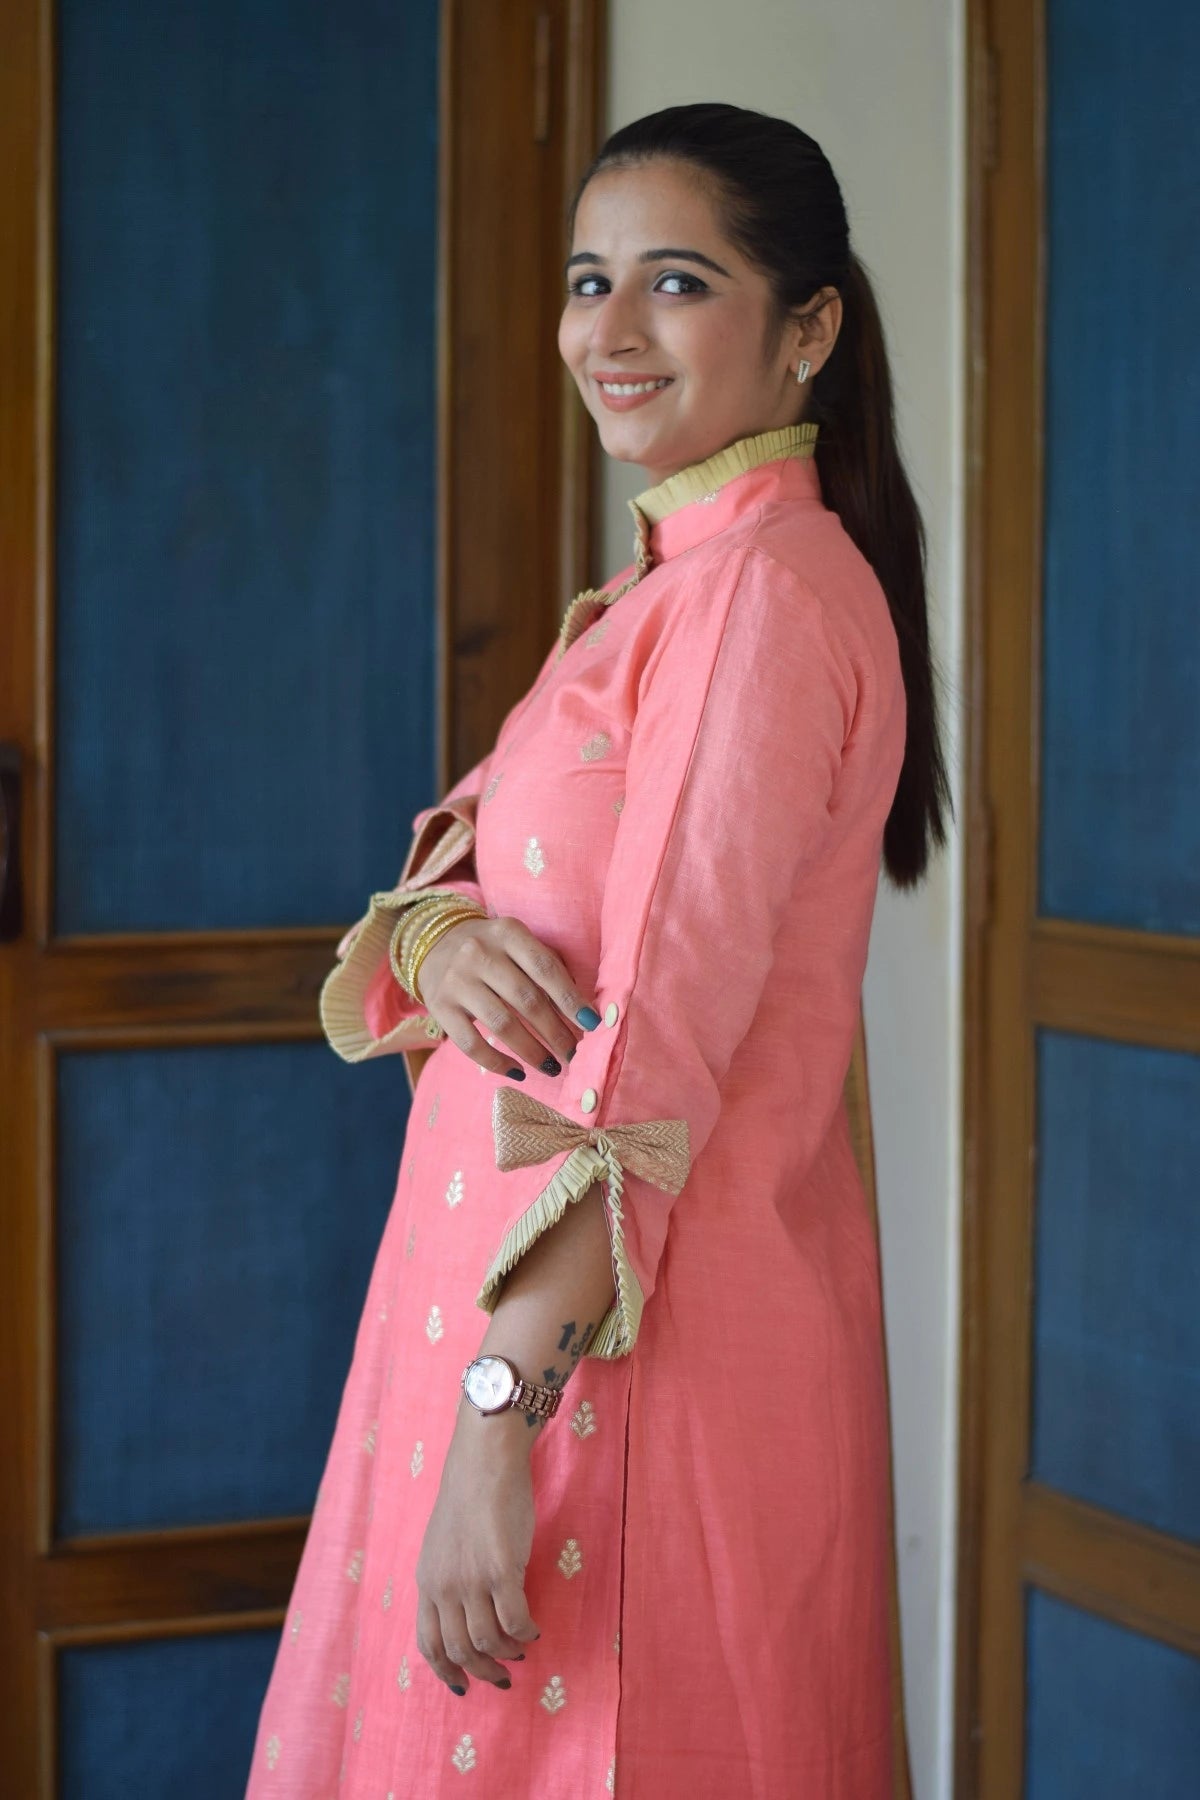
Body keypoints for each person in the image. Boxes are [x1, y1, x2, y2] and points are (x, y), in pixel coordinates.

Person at [245, 100, 951, 1800]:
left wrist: (500, 1420)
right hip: (524, 1331)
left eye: (678, 283)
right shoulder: (665, 588)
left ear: (810, 327)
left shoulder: (767, 595)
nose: (606, 332)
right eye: (588, 279)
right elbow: (477, 842)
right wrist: (442, 924)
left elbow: (652, 1049)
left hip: (616, 1375)